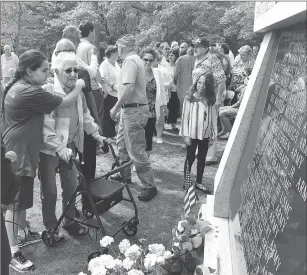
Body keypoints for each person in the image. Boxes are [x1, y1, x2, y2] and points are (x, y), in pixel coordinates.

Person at [2, 49, 82, 272]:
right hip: (18, 154)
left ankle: (22, 233)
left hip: (21, 151)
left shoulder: (21, 87)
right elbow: (65, 102)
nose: (48, 74)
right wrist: (80, 85)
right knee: (13, 203)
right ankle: (12, 252)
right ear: (29, 71)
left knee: (21, 200)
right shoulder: (28, 91)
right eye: (44, 70)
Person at [39, 52, 107, 242]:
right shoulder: (48, 91)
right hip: (49, 149)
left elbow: (85, 116)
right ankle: (51, 226)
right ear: (56, 71)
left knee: (70, 186)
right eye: (68, 70)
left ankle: (69, 221)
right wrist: (59, 147)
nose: (73, 74)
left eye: (76, 70)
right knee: (50, 190)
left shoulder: (77, 94)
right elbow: (45, 125)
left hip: (70, 147)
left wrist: (95, 133)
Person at [110, 34, 157, 202]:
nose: (117, 50)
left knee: (136, 149)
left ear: (123, 47)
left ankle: (149, 185)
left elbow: (129, 89)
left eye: (118, 47)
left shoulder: (130, 61)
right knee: (122, 143)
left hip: (133, 110)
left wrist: (115, 107)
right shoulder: (135, 59)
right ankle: (125, 175)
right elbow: (127, 87)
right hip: (130, 109)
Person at [180, 72, 216, 194]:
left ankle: (199, 182)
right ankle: (187, 180)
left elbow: (212, 118)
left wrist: (213, 135)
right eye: (200, 83)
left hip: (205, 135)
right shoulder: (190, 98)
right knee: (190, 157)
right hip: (192, 134)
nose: (201, 86)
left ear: (209, 86)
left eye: (205, 84)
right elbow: (185, 118)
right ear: (196, 83)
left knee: (202, 158)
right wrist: (186, 135)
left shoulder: (210, 100)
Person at [192, 37, 226, 165]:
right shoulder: (197, 59)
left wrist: (218, 99)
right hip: (199, 98)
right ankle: (200, 150)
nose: (195, 48)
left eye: (198, 46)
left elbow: (221, 81)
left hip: (210, 99)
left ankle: (210, 156)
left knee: (210, 125)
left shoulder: (213, 59)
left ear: (206, 48)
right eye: (195, 46)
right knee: (200, 124)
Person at [77, 21, 104, 128]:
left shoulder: (76, 46)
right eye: (93, 31)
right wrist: (104, 85)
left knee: (85, 116)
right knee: (96, 116)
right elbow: (95, 70)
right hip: (93, 88)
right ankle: (99, 142)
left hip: (80, 87)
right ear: (90, 31)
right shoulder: (91, 48)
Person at [141, 47, 167, 147]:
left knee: (148, 141)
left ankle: (145, 160)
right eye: (145, 59)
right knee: (139, 140)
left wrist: (164, 105)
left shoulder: (157, 72)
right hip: (139, 111)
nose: (148, 62)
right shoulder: (137, 73)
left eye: (151, 60)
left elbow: (162, 90)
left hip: (152, 112)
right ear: (141, 59)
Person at [218, 68, 251, 139]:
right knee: (220, 109)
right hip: (239, 107)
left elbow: (238, 104)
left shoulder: (247, 90)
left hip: (242, 110)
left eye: (247, 78)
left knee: (222, 113)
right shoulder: (245, 87)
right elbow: (236, 90)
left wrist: (229, 107)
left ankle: (231, 134)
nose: (245, 78)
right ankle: (224, 130)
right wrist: (244, 85)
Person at [98, 45, 120, 138]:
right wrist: (109, 89)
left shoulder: (116, 64)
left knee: (113, 114)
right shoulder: (105, 64)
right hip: (109, 94)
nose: (118, 54)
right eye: (116, 53)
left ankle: (112, 134)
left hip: (117, 93)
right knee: (107, 115)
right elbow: (103, 79)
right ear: (112, 54)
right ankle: (107, 135)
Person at [174, 44, 196, 114]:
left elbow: (175, 74)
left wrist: (175, 82)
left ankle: (184, 120)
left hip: (182, 86)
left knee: (183, 104)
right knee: (192, 104)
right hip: (193, 86)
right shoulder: (198, 59)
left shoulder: (181, 59)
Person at [165, 48, 180, 132]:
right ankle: (162, 124)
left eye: (172, 55)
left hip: (174, 89)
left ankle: (173, 124)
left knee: (174, 107)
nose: (170, 57)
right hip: (166, 89)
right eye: (169, 55)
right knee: (165, 106)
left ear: (176, 56)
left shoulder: (177, 66)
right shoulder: (164, 65)